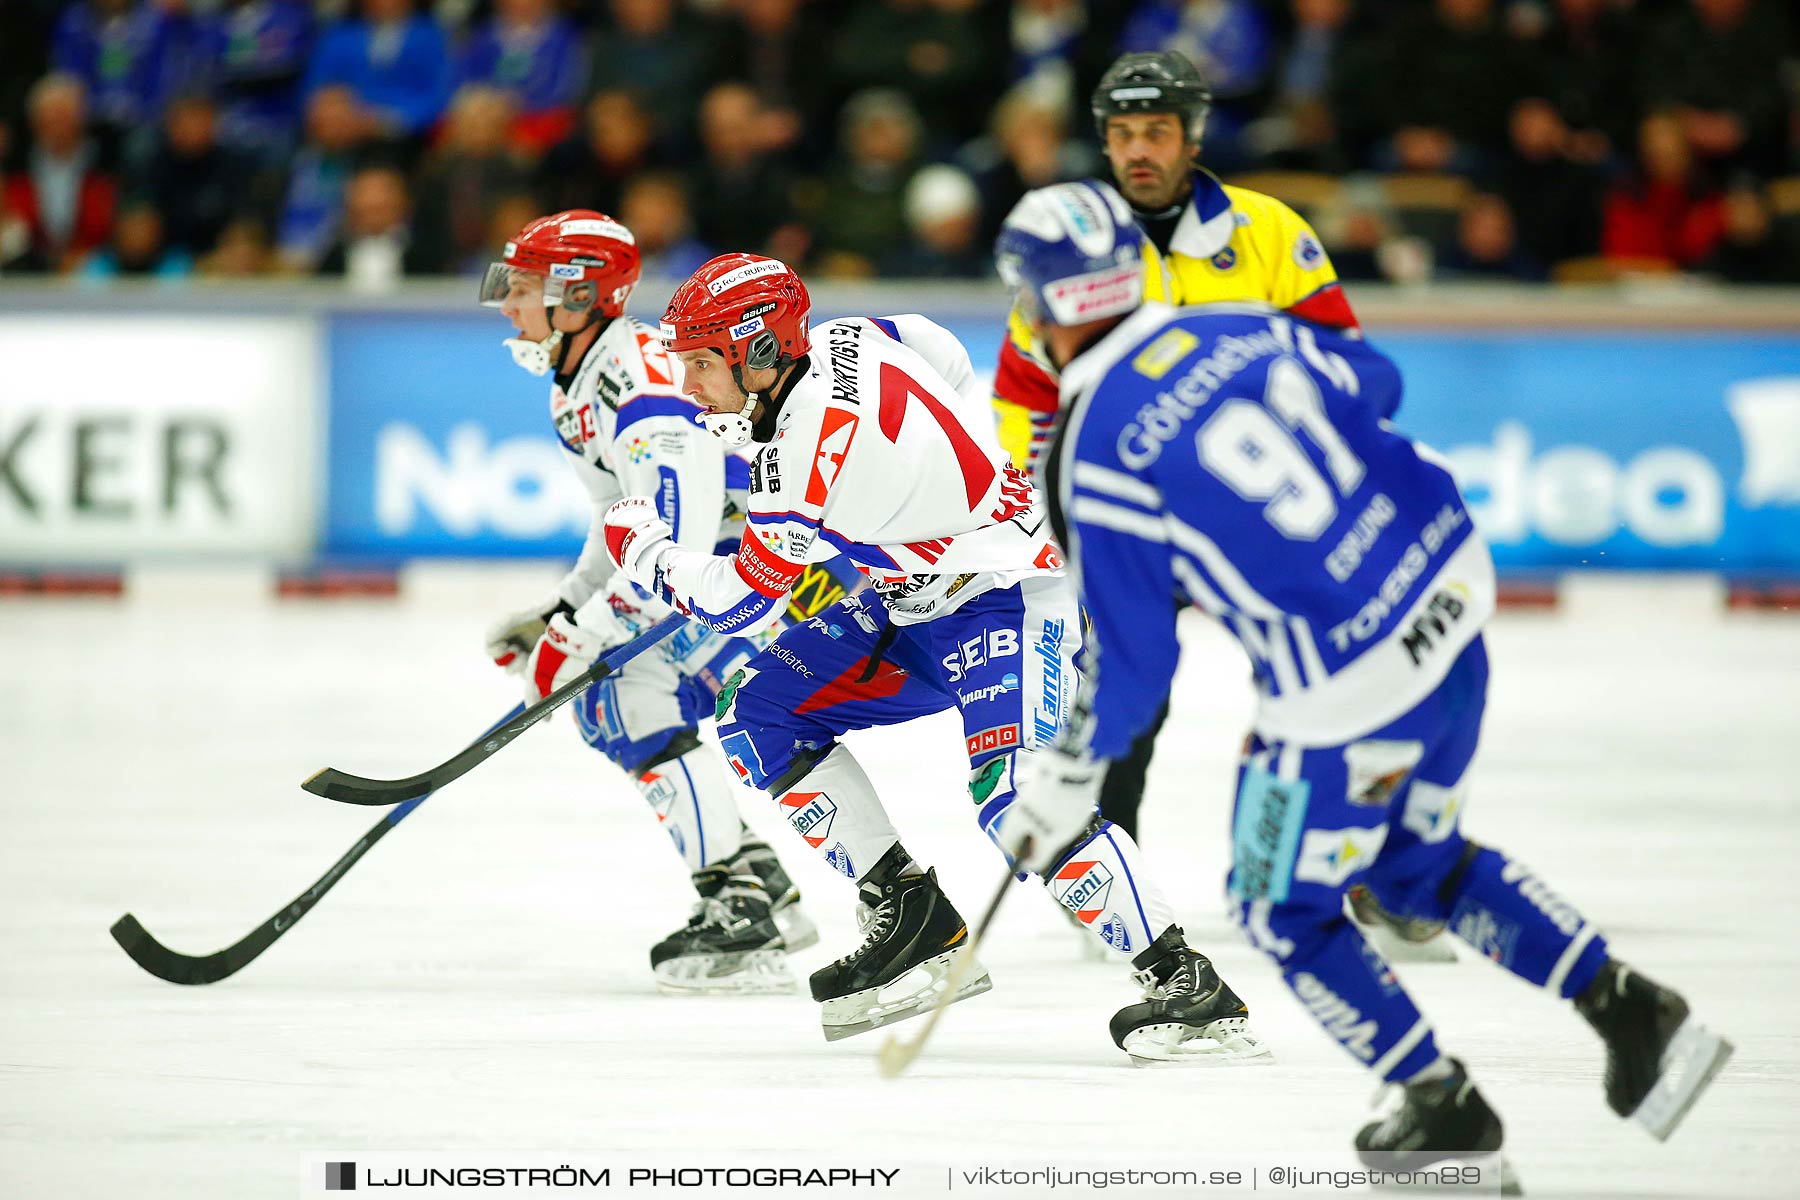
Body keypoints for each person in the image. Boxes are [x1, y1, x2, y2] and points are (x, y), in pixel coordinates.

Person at [995, 180, 1733, 1183]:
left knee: (1276, 907)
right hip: (1449, 602)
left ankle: (1439, 1103)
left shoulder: (1089, 450)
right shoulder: (1244, 326)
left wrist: (1063, 781)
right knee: (1414, 864)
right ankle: (1633, 1010)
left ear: (1039, 305)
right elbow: (1376, 384)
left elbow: (1135, 663)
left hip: (1348, 688)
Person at [597, 252, 1269, 1064]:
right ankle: (911, 912)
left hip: (1012, 597)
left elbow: (736, 603)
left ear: (762, 352)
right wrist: (923, 494)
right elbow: (934, 344)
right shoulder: (850, 338)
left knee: (1018, 802)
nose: (691, 385)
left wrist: (643, 548)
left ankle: (1187, 984)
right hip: (914, 596)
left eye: (703, 364)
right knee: (757, 714)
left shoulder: (800, 465)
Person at [990, 50, 1358, 853]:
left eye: (1156, 131)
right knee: (1122, 678)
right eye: (1122, 134)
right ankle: (1114, 868)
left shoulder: (1267, 231)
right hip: (1137, 515)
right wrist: (1050, 511)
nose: (1138, 151)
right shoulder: (1070, 244)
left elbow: (1341, 360)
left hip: (1266, 505)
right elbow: (1024, 397)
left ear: (1192, 136)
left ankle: (1364, 861)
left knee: (1330, 681)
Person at [477, 211, 818, 994]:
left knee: (623, 695)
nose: (507, 305)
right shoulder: (590, 374)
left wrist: (584, 636)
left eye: (524, 289)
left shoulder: (640, 389)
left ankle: (739, 909)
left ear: (581, 297)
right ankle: (759, 886)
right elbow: (624, 525)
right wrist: (563, 612)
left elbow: (677, 540)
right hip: (742, 564)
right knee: (611, 695)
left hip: (780, 573)